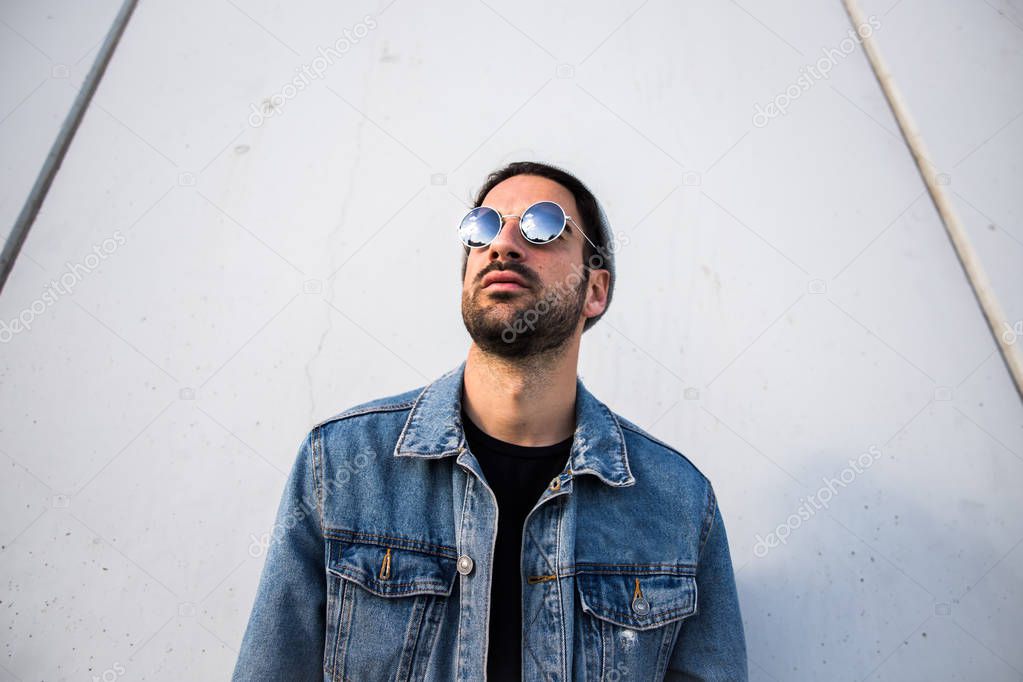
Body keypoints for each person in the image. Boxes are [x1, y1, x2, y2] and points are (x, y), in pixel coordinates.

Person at [232, 161, 748, 681]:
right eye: (482, 228)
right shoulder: (342, 462)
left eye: (542, 226)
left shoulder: (676, 501)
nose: (502, 246)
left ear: (594, 289)